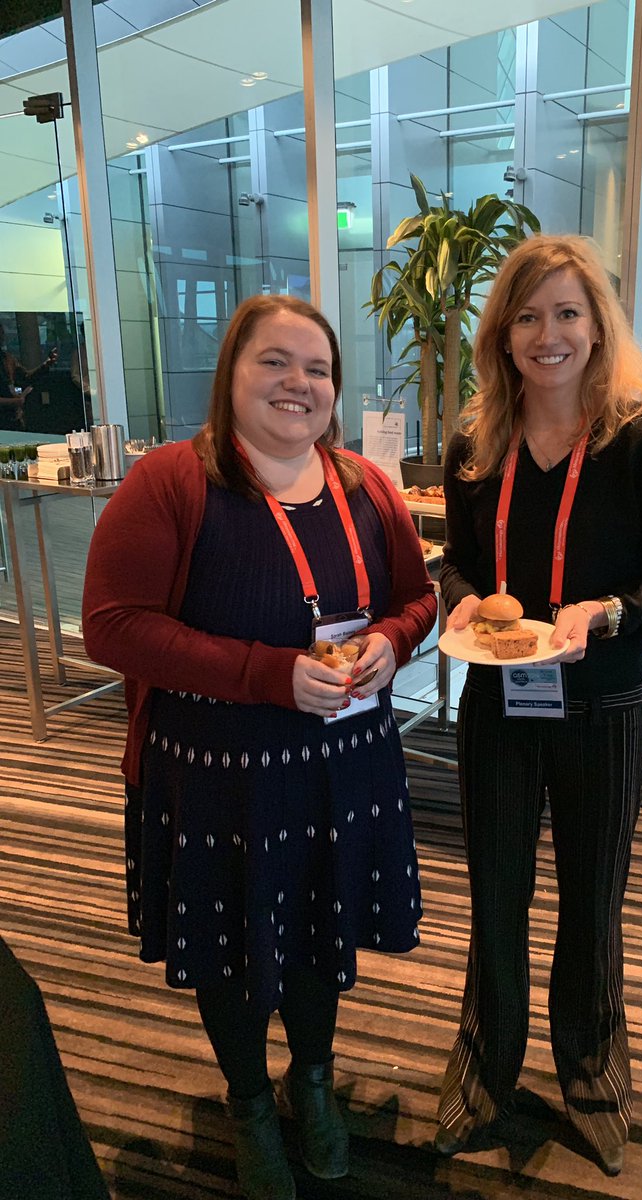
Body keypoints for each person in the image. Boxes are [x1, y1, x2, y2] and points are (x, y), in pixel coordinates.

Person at [82, 294, 437, 1200]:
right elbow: (112, 626)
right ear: (231, 377)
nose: (298, 383)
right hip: (218, 776)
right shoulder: (170, 480)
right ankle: (247, 1102)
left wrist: (393, 643)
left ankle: (311, 1080)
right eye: (273, 362)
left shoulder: (365, 485)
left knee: (323, 931)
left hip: (344, 766)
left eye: (317, 369)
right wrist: (266, 674)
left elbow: (415, 599)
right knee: (236, 945)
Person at [435, 235, 642, 1177]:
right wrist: (463, 596)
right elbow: (463, 560)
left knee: (593, 907)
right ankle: (487, 1070)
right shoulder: (476, 444)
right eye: (526, 315)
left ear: (597, 327)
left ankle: (592, 1081)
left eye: (565, 313)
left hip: (602, 706)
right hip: (498, 706)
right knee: (496, 898)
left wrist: (614, 611)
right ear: (502, 335)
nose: (546, 334)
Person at [0, 326, 58, 430]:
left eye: (2, 332)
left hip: (13, 416)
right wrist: (14, 402)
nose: (2, 336)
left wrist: (46, 365)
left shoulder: (6, 358)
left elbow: (25, 377)